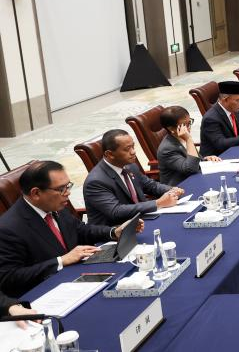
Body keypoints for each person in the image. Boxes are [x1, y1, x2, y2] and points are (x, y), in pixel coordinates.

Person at [0, 161, 142, 297]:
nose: (67, 193)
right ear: (36, 193)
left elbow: (80, 230)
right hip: (47, 292)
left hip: (78, 278)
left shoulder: (54, 205)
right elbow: (8, 278)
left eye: (68, 186)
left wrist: (113, 232)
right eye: (61, 189)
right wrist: (60, 261)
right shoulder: (8, 228)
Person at [83, 129, 183, 226]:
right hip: (116, 232)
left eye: (133, 147)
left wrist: (171, 190)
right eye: (127, 149)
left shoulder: (130, 166)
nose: (133, 152)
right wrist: (158, 203)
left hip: (142, 221)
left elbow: (150, 185)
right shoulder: (95, 182)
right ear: (109, 154)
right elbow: (116, 211)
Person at [157, 106, 222, 187]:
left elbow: (193, 160)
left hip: (196, 179)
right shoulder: (167, 149)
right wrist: (188, 139)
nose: (189, 127)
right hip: (181, 187)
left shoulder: (183, 137)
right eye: (184, 125)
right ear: (171, 128)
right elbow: (191, 168)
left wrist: (205, 159)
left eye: (189, 122)